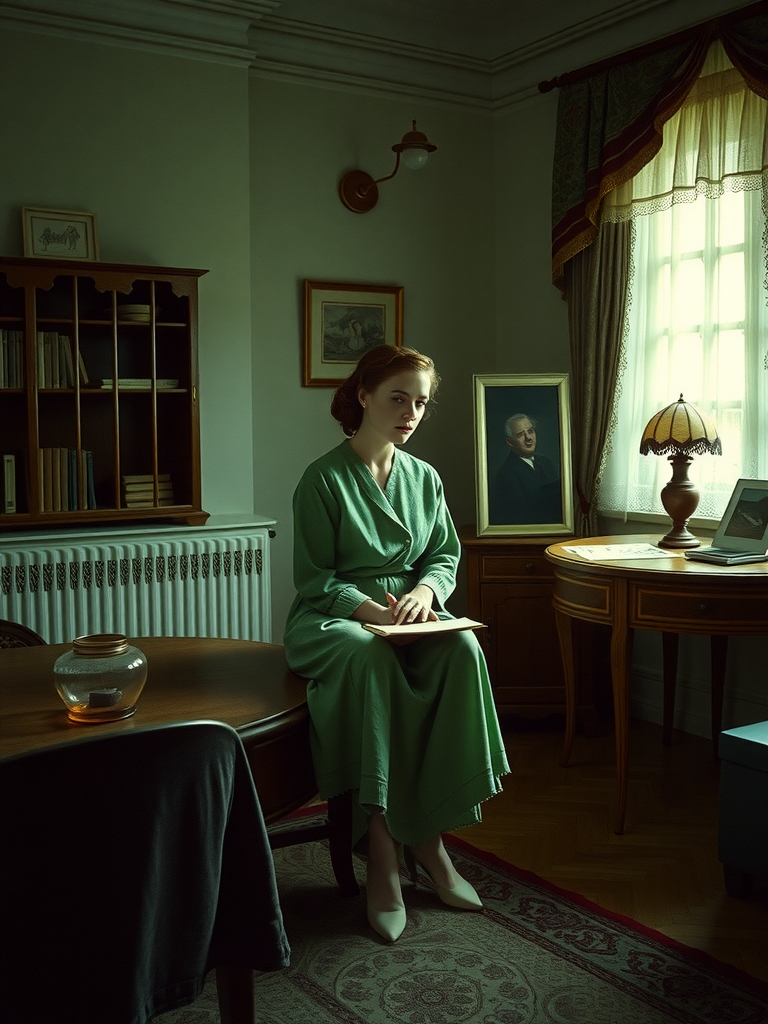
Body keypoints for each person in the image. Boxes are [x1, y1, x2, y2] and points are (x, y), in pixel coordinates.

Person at [284, 344, 509, 944]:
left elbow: (442, 556)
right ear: (362, 395)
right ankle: (384, 854)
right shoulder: (322, 479)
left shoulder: (424, 478)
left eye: (421, 402)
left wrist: (426, 596)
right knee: (372, 655)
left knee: (462, 652)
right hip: (336, 620)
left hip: (409, 614)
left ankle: (432, 846)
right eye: (398, 397)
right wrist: (372, 610)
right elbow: (314, 580)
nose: (411, 412)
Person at [490, 413, 562, 525]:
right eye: (520, 435)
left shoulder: (546, 462)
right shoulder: (506, 474)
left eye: (530, 431)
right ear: (509, 442)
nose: (528, 438)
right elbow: (522, 516)